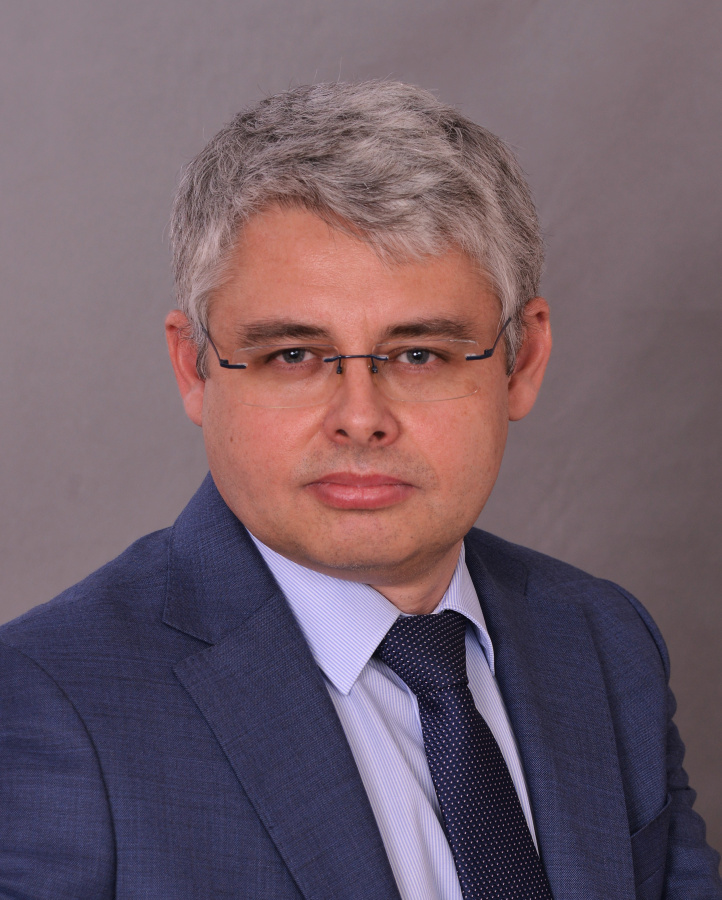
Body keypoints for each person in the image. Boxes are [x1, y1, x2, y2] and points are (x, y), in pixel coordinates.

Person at [0, 81, 719, 900]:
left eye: (419, 354)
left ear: (521, 362)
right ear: (193, 368)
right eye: (292, 356)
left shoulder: (602, 641)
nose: (360, 419)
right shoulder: (48, 704)